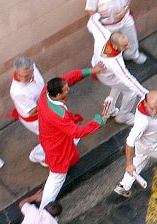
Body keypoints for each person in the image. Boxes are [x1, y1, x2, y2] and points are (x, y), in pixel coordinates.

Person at [36, 65, 107, 208]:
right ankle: (44, 210)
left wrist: (90, 71)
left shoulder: (46, 92)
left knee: (50, 148)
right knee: (57, 177)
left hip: (49, 137)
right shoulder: (59, 115)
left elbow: (69, 77)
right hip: (58, 147)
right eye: (66, 90)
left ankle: (35, 156)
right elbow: (76, 132)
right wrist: (98, 122)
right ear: (57, 95)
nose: (68, 89)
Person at [87, 13, 148, 126]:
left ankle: (109, 110)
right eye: (124, 46)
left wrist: (98, 15)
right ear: (115, 46)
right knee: (130, 92)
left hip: (100, 69)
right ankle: (123, 116)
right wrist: (146, 95)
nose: (128, 46)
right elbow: (128, 80)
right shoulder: (115, 62)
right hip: (108, 76)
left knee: (117, 87)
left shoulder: (103, 34)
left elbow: (92, 22)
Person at [9, 57, 46, 166]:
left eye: (27, 75)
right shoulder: (18, 91)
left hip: (43, 107)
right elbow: (32, 111)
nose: (23, 79)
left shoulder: (33, 67)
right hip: (35, 118)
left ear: (32, 69)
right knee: (48, 135)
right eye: (20, 76)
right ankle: (38, 155)